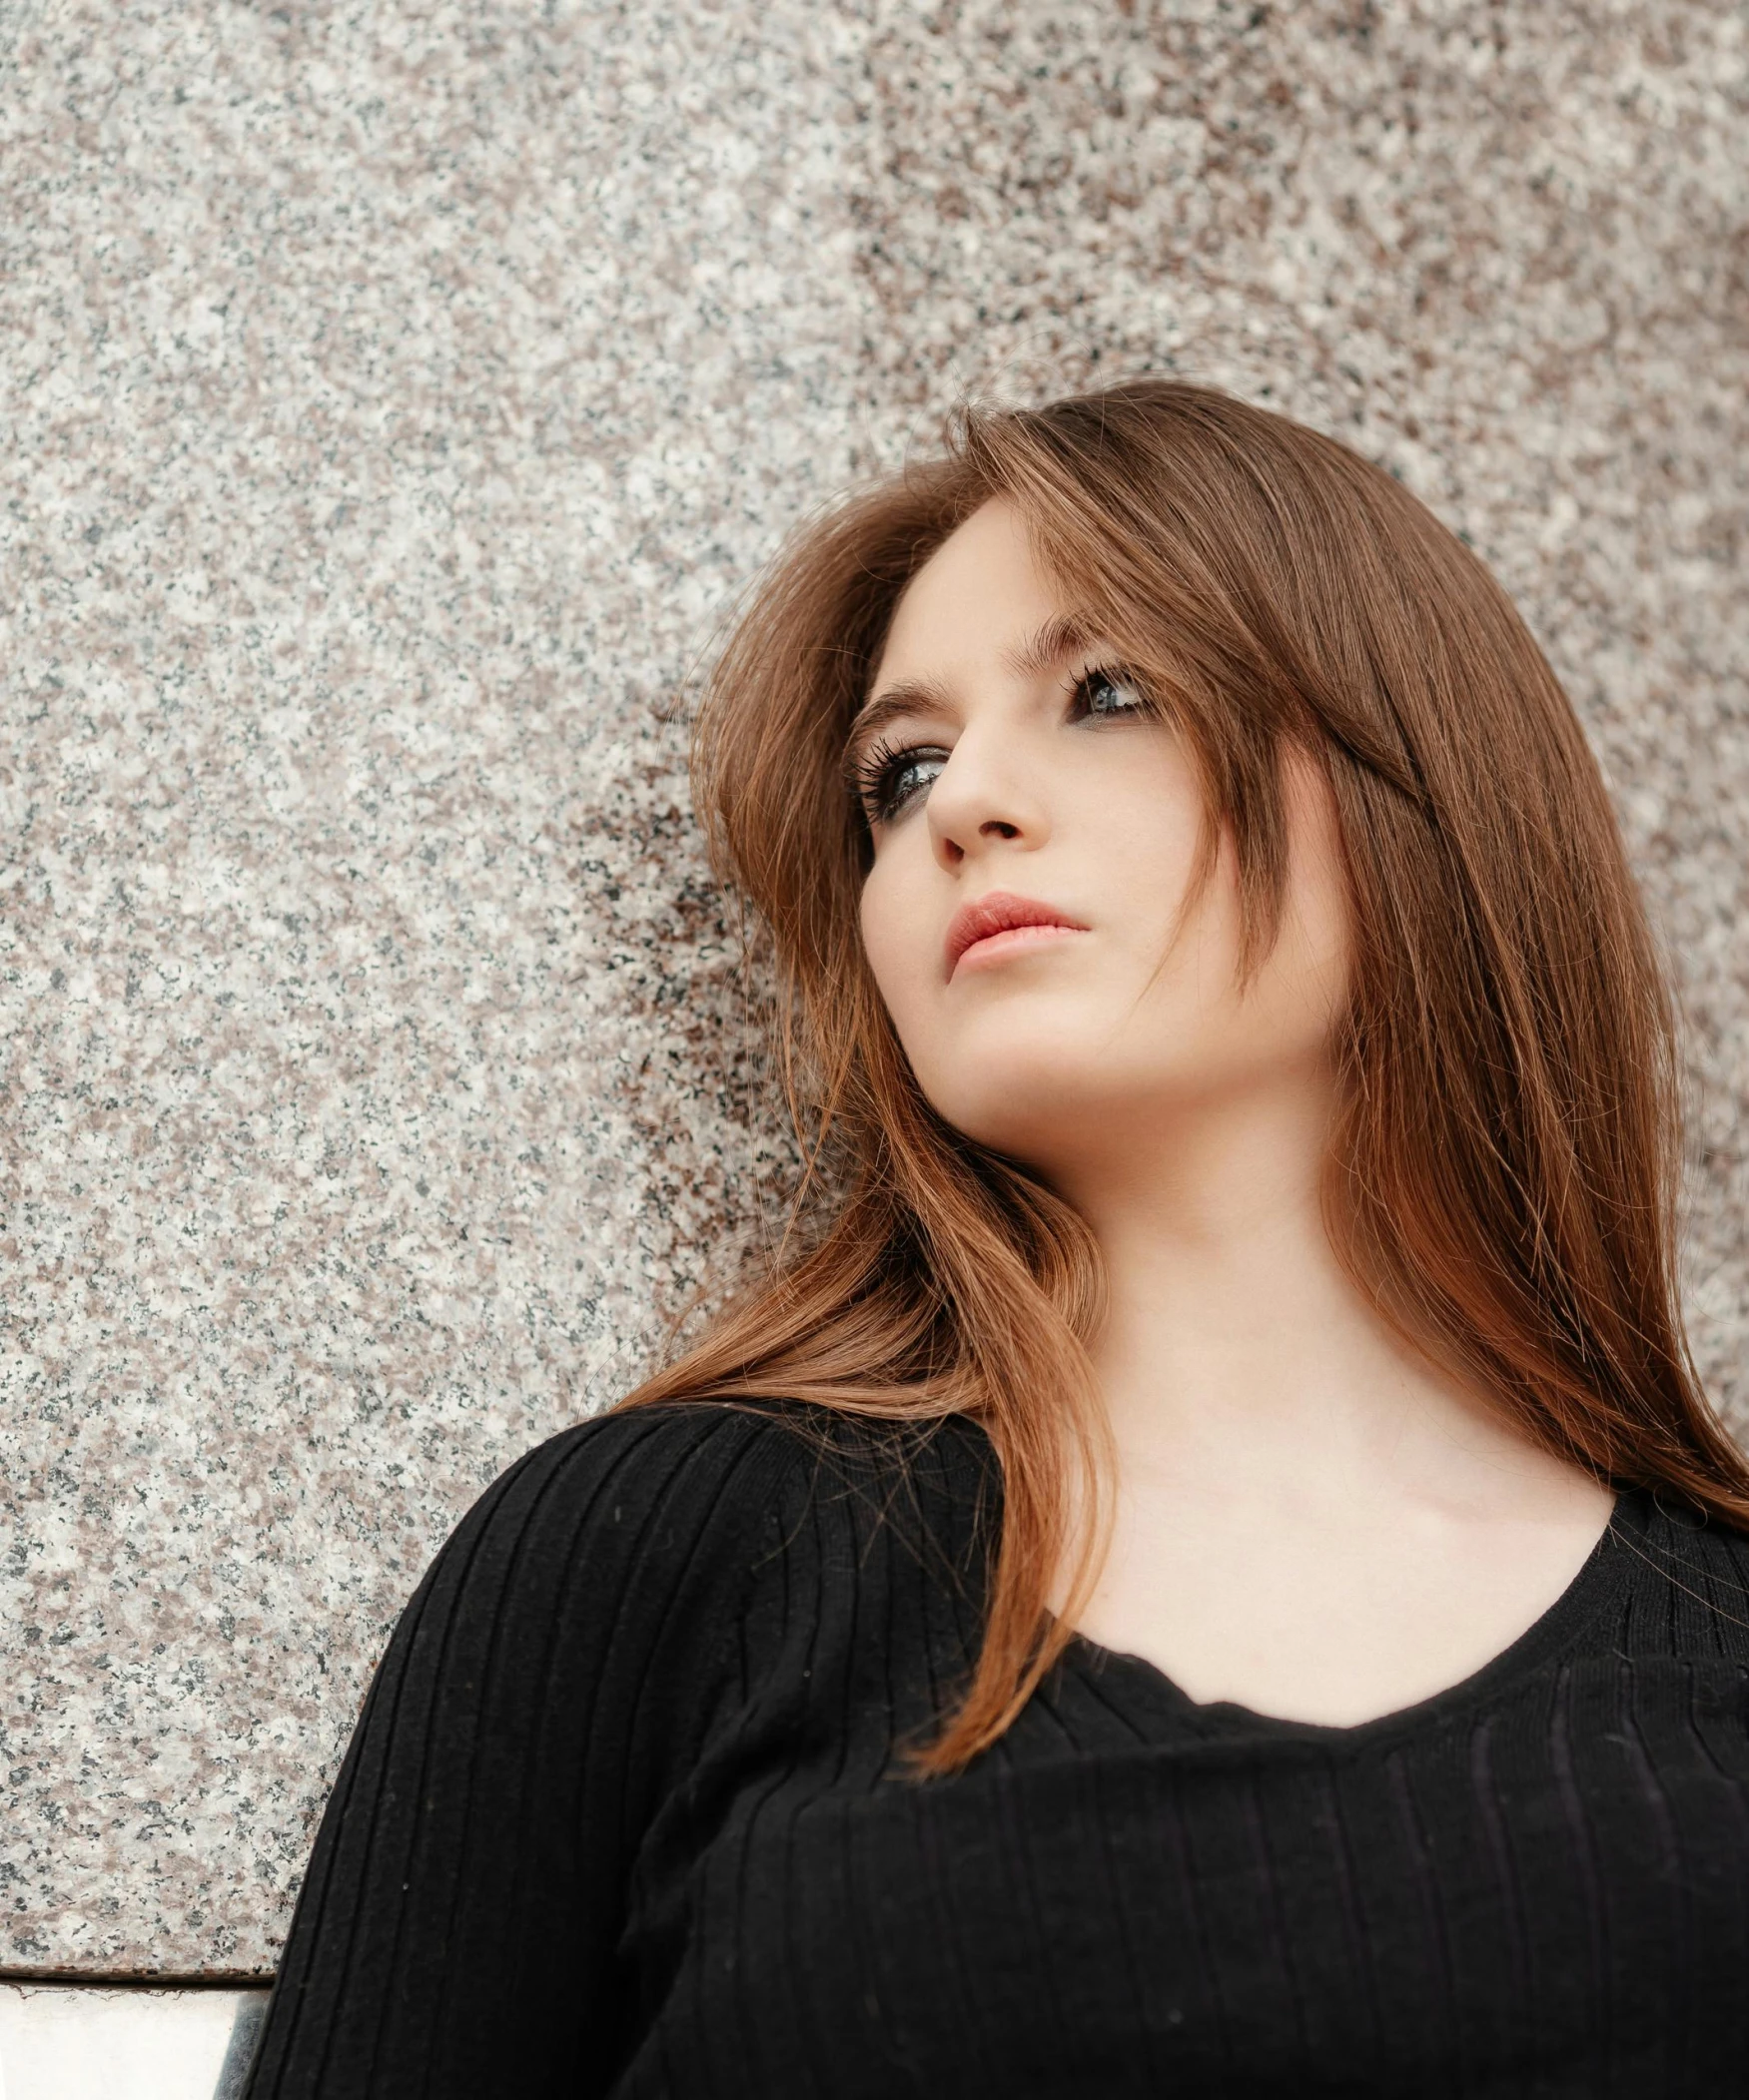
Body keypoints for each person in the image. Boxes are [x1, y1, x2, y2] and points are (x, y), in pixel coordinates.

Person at [243, 381, 1749, 2098]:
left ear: (1416, 782)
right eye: (900, 771)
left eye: (1106, 691)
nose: (963, 805)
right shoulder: (649, 1557)